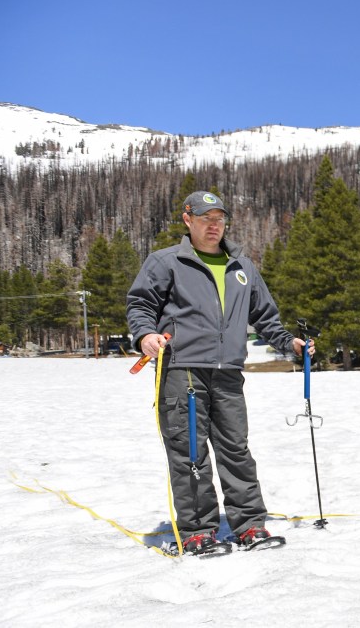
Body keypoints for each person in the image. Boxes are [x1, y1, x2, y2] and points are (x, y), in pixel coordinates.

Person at [127, 190, 310, 556]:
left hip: (228, 373)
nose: (214, 226)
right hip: (183, 370)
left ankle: (250, 525)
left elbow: (265, 316)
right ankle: (198, 531)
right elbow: (140, 304)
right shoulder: (166, 262)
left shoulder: (242, 267)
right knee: (189, 452)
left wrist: (289, 343)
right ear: (188, 220)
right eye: (206, 219)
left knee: (236, 450)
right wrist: (145, 334)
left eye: (220, 219)